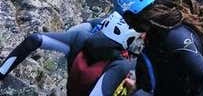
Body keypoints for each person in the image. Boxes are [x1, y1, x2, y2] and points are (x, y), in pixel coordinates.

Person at [113, 0, 203, 96]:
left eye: (125, 17)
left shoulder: (174, 36)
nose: (126, 22)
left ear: (131, 15)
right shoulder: (158, 30)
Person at [0, 12, 143, 96]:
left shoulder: (80, 38)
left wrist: (1, 72)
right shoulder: (122, 66)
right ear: (128, 38)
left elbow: (34, 40)